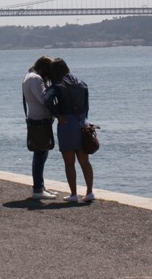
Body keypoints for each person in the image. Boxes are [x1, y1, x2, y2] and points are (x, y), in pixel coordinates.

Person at [45, 57, 95, 202]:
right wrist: (84, 118)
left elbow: (47, 99)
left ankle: (73, 194)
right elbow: (86, 105)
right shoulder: (81, 83)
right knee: (85, 161)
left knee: (69, 162)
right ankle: (90, 192)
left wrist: (57, 115)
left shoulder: (57, 85)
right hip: (82, 123)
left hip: (67, 124)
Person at [22, 55, 57, 200]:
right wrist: (53, 89)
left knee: (41, 154)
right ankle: (38, 189)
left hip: (37, 120)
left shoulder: (29, 76)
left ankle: (40, 186)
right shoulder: (35, 79)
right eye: (48, 72)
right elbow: (44, 99)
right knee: (40, 154)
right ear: (44, 68)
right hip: (40, 121)